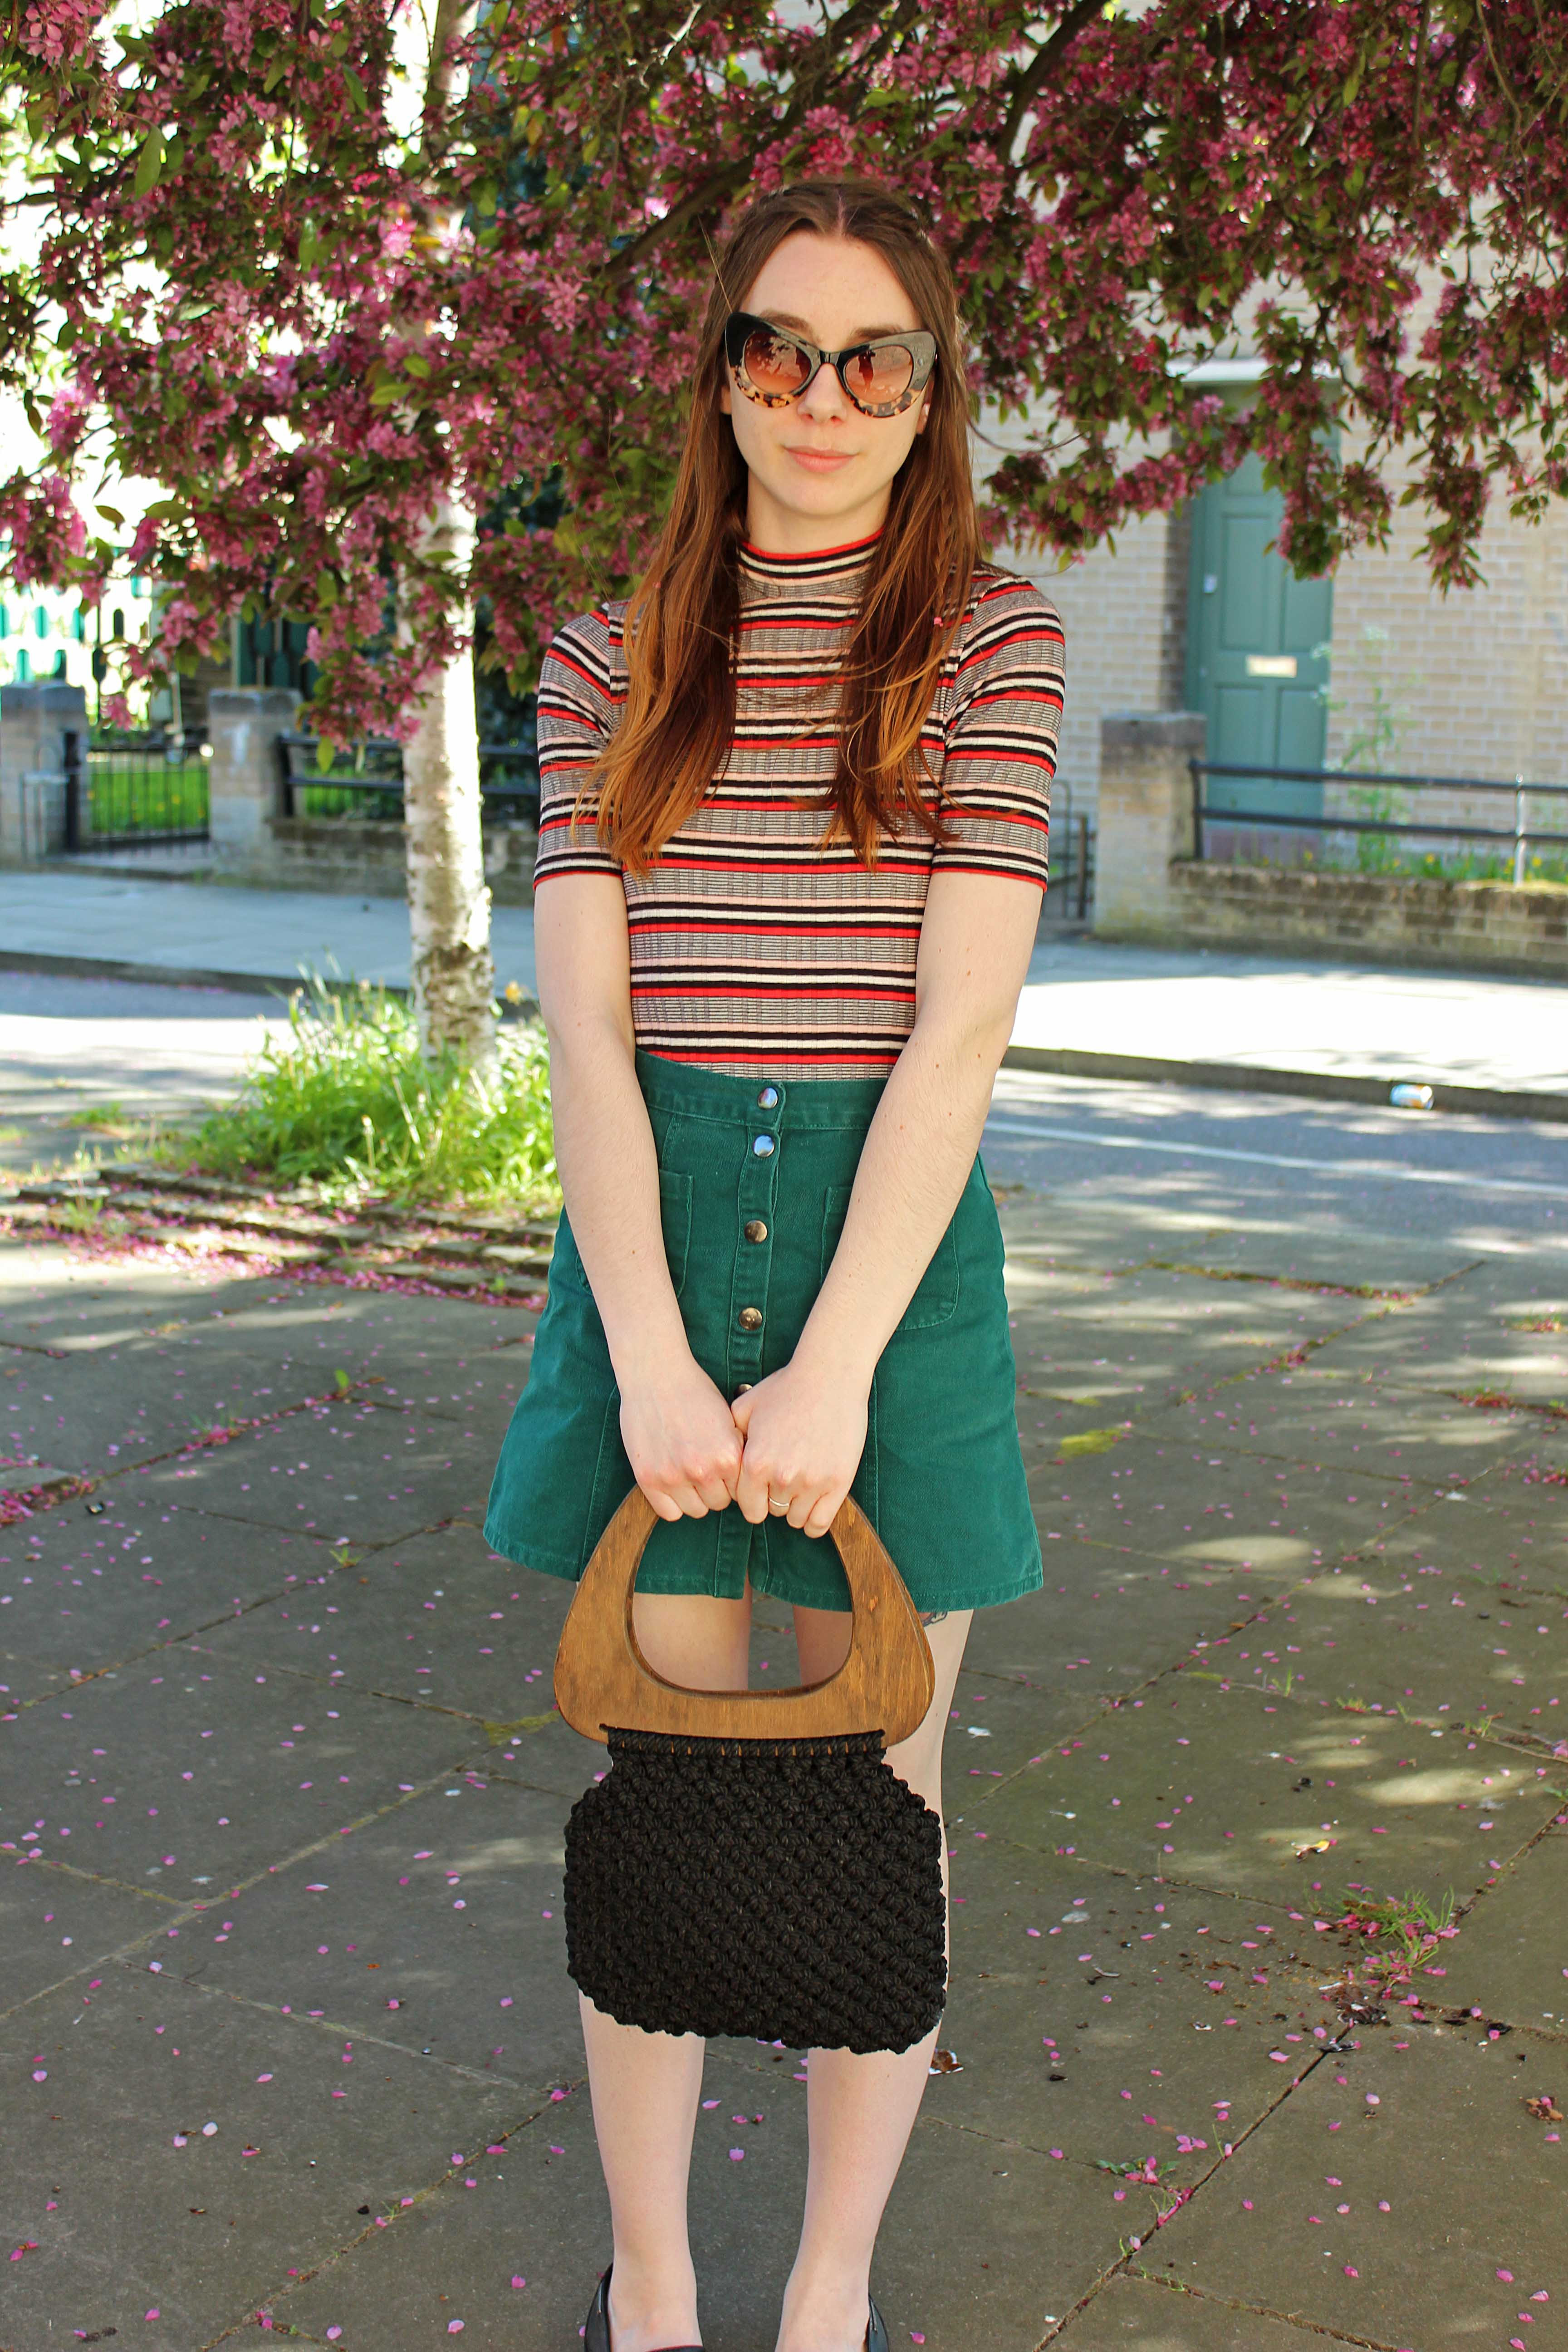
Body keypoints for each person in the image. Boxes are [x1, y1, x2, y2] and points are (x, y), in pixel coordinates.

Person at [484, 175, 1065, 2352]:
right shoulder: (598, 652)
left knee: (870, 1818)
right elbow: (589, 1031)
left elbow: (957, 1032)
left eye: (875, 358)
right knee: (666, 1792)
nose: (823, 398)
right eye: (776, 349)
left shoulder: (992, 639)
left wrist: (835, 1367)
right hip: (651, 1235)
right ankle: (652, 2295)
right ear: (716, 370)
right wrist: (642, 1340)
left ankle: (828, 2298)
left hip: (885, 1271)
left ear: (932, 395)